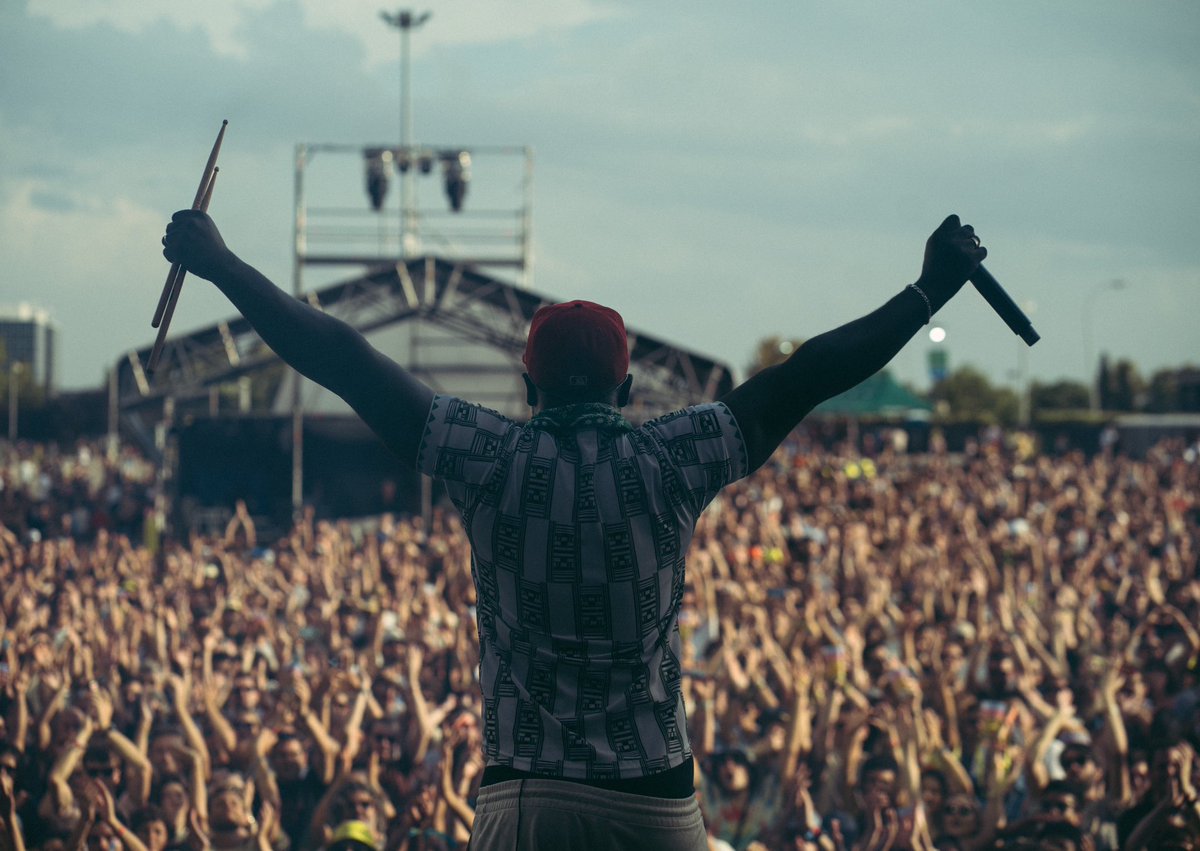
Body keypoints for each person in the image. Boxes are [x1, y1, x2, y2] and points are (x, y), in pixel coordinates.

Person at [161, 208, 987, 850]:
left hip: (529, 797)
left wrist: (221, 264)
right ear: (630, 392)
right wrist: (928, 292)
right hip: (655, 800)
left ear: (529, 386)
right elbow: (806, 374)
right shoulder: (676, 458)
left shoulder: (491, 457)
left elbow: (341, 356)